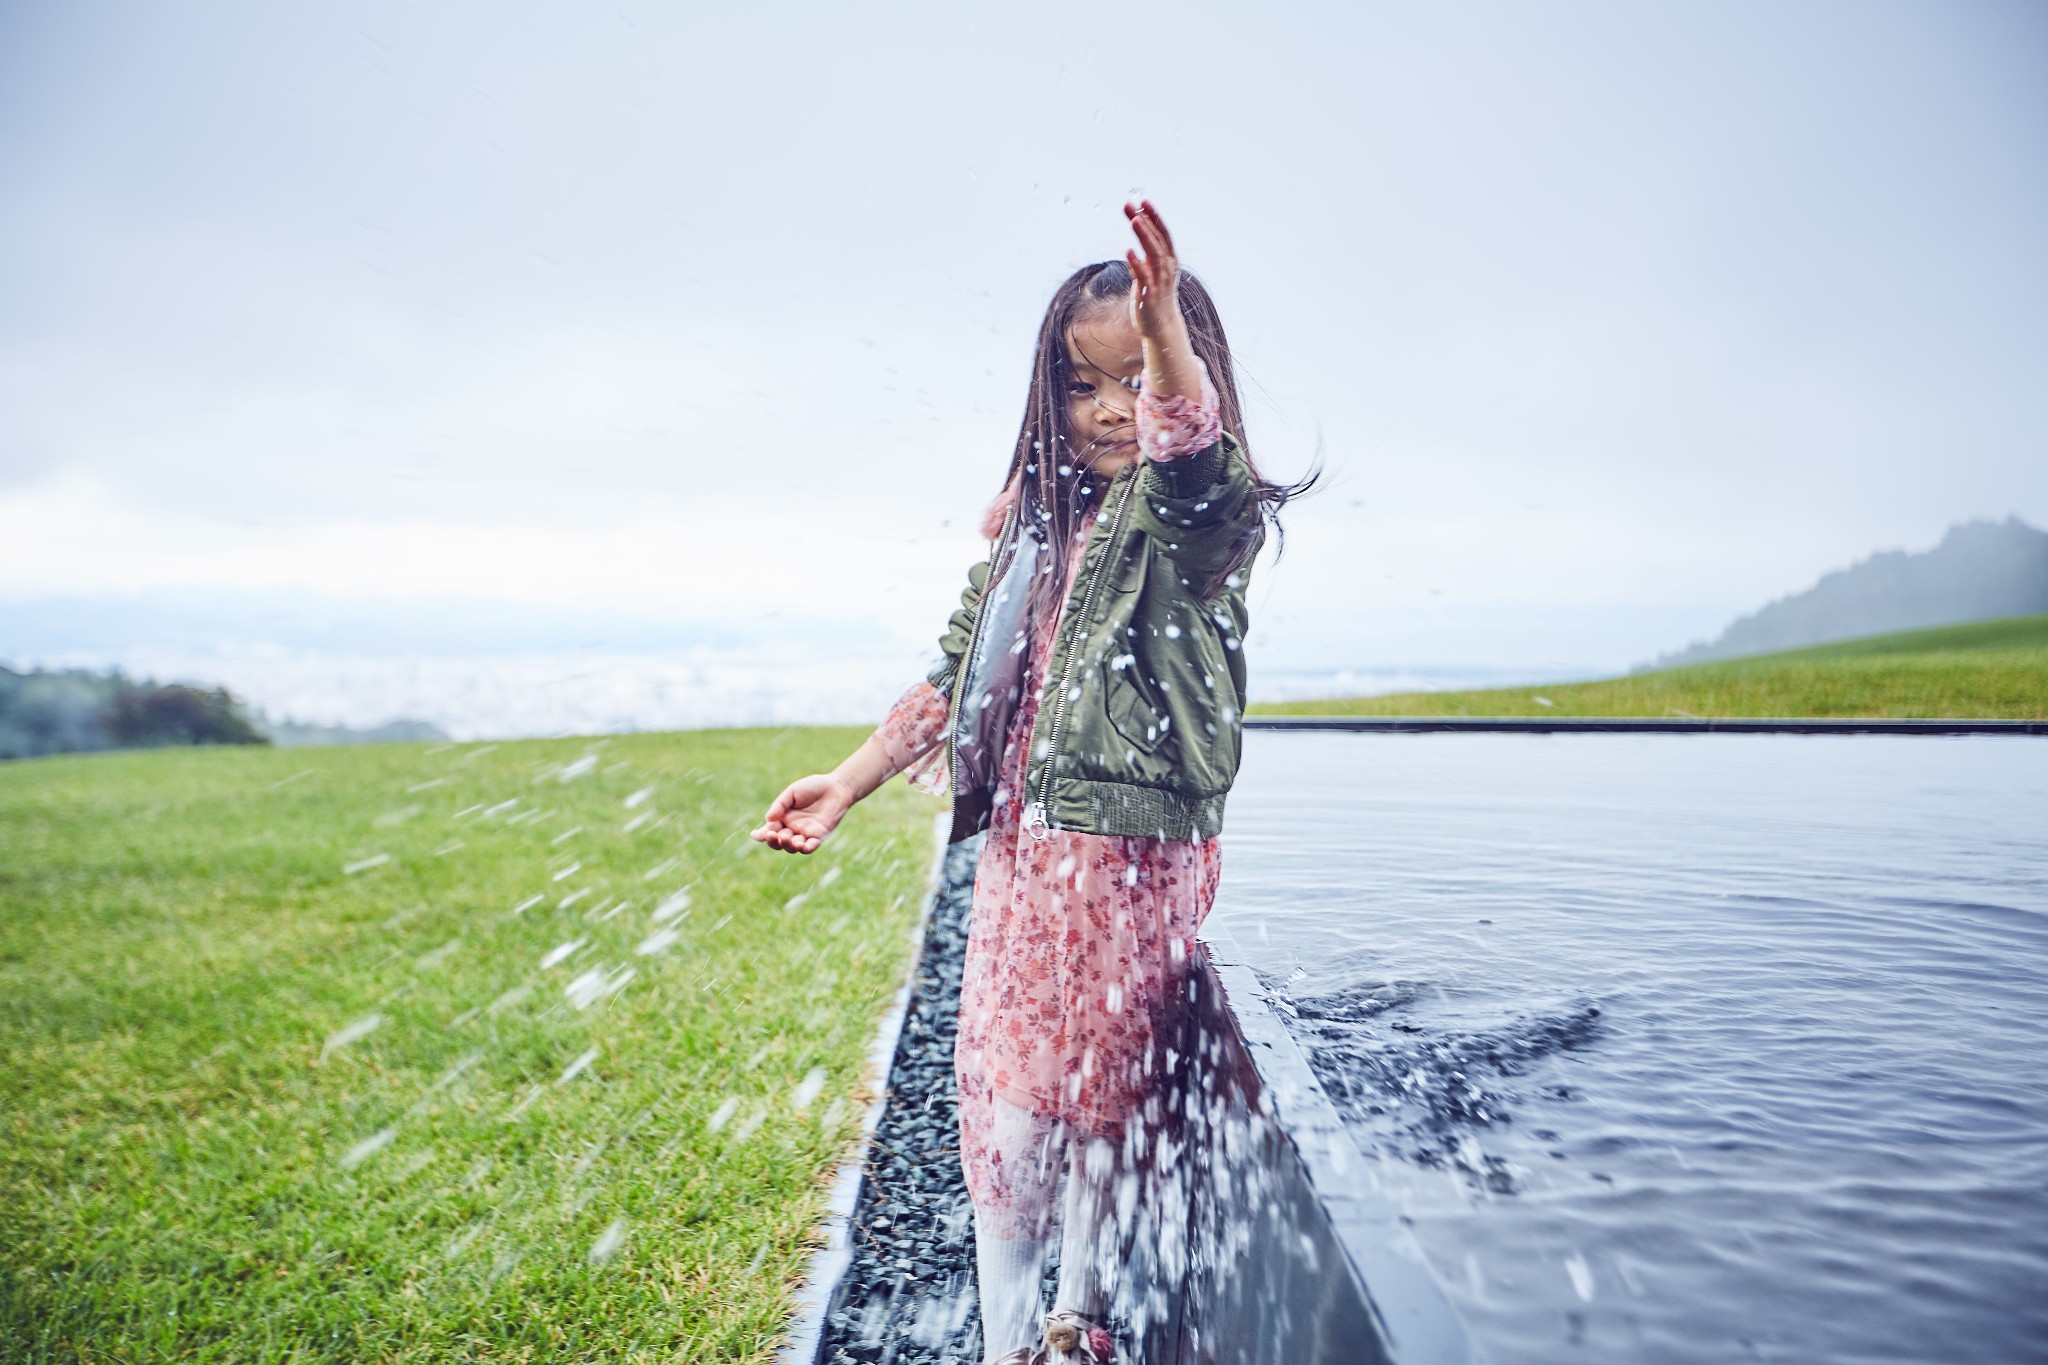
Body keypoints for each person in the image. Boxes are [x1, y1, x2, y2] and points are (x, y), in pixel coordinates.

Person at [752, 201, 1309, 1365]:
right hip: (1025, 855)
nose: (1107, 410)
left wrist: (1167, 346)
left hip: (1128, 861)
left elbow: (1193, 475)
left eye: (1133, 380)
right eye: (1078, 383)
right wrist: (848, 781)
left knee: (1097, 1100)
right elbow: (956, 676)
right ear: (1043, 396)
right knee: (1008, 1103)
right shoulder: (1031, 532)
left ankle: (1078, 1318)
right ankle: (1013, 1335)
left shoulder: (1188, 523)